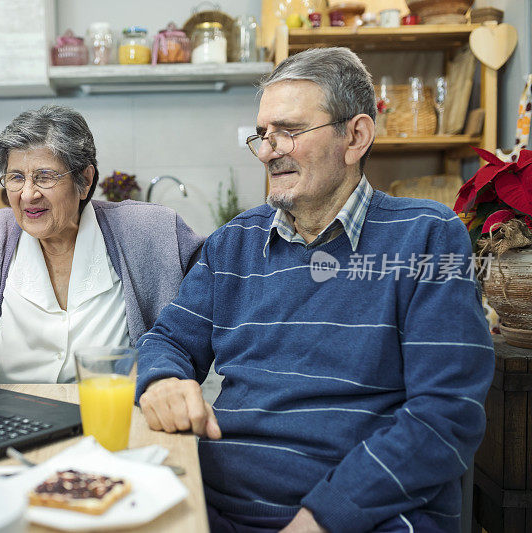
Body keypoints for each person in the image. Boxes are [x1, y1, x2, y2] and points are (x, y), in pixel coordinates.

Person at [135, 47, 493, 533]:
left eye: (289, 132)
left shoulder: (428, 236)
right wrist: (162, 381)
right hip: (220, 508)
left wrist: (324, 517)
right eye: (261, 136)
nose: (267, 150)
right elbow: (168, 340)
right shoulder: (235, 241)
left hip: (370, 517)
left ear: (356, 136)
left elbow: (447, 416)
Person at [0, 104, 204, 384]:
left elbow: (203, 317)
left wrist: (164, 379)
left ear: (85, 180)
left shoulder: (149, 230)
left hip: (110, 418)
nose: (28, 194)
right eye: (16, 177)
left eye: (45, 177)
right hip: (14, 424)